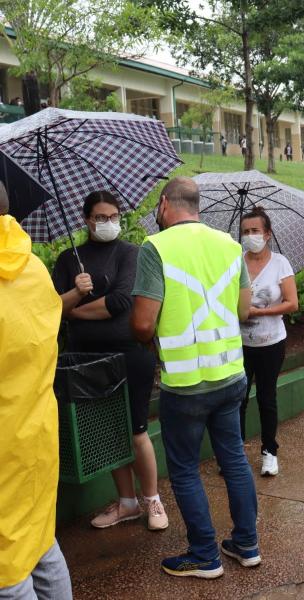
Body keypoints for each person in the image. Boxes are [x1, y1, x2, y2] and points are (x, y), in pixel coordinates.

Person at [130, 177, 259, 579]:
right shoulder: (230, 245)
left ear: (166, 204)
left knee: (185, 469)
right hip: (230, 374)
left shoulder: (156, 248)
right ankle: (246, 544)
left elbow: (142, 323)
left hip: (185, 385)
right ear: (197, 205)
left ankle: (205, 556)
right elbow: (243, 310)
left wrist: (152, 338)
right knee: (234, 458)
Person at [52, 191, 167, 531]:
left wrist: (74, 312)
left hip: (130, 353)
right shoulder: (67, 260)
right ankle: (127, 502)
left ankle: (152, 499)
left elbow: (118, 303)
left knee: (135, 431)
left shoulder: (131, 253)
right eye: (100, 218)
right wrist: (74, 294)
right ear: (86, 220)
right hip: (86, 359)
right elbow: (51, 309)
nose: (108, 223)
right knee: (107, 433)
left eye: (113, 216)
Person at [0, 186, 73, 599]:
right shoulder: (31, 268)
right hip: (38, 435)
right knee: (41, 543)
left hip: (4, 443)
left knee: (7, 572)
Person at [239, 207, 298, 476]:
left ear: (267, 234)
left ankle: (269, 451)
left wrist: (259, 312)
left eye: (255, 231)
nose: (250, 236)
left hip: (270, 342)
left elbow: (292, 303)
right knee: (237, 398)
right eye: (245, 232)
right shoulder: (236, 261)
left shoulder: (280, 263)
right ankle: (235, 452)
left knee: (266, 397)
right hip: (239, 342)